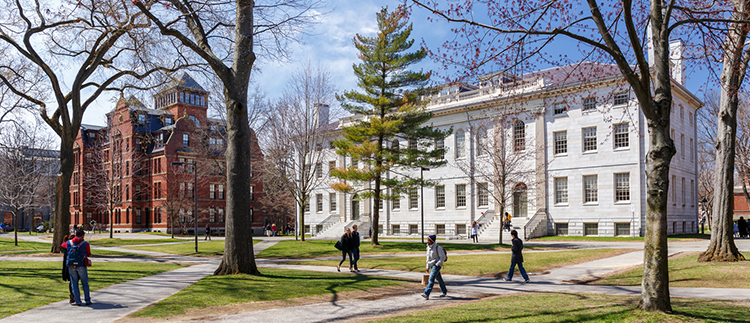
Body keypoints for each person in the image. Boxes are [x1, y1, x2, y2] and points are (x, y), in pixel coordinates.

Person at [61, 229, 92, 306]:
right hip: (81, 264)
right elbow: (88, 254)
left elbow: (63, 245)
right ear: (83, 235)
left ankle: (77, 301)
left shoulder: (69, 243)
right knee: (84, 283)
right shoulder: (85, 244)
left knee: (74, 283)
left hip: (71, 265)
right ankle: (87, 300)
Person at [421, 235, 447, 300]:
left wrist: (437, 264)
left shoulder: (438, 248)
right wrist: (427, 266)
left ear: (432, 241)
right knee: (439, 279)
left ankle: (426, 293)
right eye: (427, 240)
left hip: (436, 265)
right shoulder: (428, 248)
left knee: (431, 279)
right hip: (431, 265)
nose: (427, 242)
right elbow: (428, 258)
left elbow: (442, 257)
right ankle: (444, 291)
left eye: (429, 240)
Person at [61, 234, 75, 304]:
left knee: (71, 282)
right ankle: (74, 296)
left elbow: (63, 244)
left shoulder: (66, 245)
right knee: (75, 281)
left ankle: (72, 296)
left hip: (67, 265)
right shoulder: (74, 244)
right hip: (75, 265)